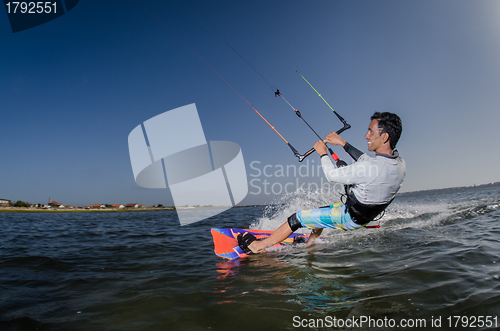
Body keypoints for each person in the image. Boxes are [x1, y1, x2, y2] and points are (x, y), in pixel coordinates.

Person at [238, 111, 406, 254]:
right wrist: (343, 143)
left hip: (349, 217)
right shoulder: (400, 165)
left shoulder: (369, 168)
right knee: (321, 211)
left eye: (371, 132)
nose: (366, 136)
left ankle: (258, 247)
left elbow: (332, 175)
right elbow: (365, 160)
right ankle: (310, 243)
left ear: (384, 137)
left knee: (297, 218)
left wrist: (322, 153)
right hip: (366, 216)